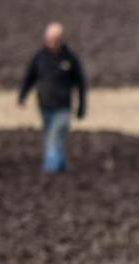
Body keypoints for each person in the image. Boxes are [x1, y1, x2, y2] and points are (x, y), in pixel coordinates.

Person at [17, 22, 87, 174]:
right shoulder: (40, 57)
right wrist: (22, 97)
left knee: (54, 138)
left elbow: (80, 83)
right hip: (45, 106)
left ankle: (50, 171)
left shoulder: (69, 58)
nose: (52, 42)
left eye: (55, 39)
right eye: (50, 39)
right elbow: (30, 77)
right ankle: (62, 168)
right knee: (53, 137)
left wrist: (82, 106)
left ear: (61, 39)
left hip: (63, 107)